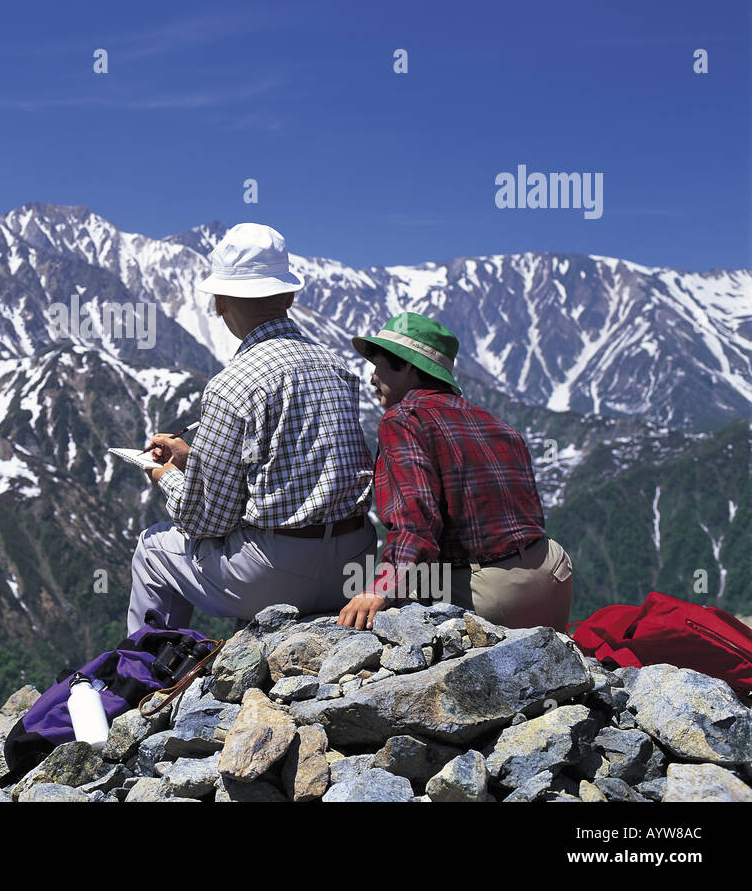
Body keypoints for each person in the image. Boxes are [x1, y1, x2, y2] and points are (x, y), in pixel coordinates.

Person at [126, 223, 376, 635]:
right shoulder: (338, 368)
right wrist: (196, 460)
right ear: (290, 296)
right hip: (356, 564)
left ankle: (148, 674)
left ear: (220, 302)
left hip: (278, 572)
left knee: (154, 548)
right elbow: (295, 466)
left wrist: (166, 476)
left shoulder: (232, 385)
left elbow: (206, 523)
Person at [337, 311, 574, 632]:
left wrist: (378, 588)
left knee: (388, 606)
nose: (373, 376)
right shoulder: (495, 422)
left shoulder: (403, 419)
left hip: (492, 596)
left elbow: (416, 527)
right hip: (553, 573)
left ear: (406, 364)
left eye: (377, 363)